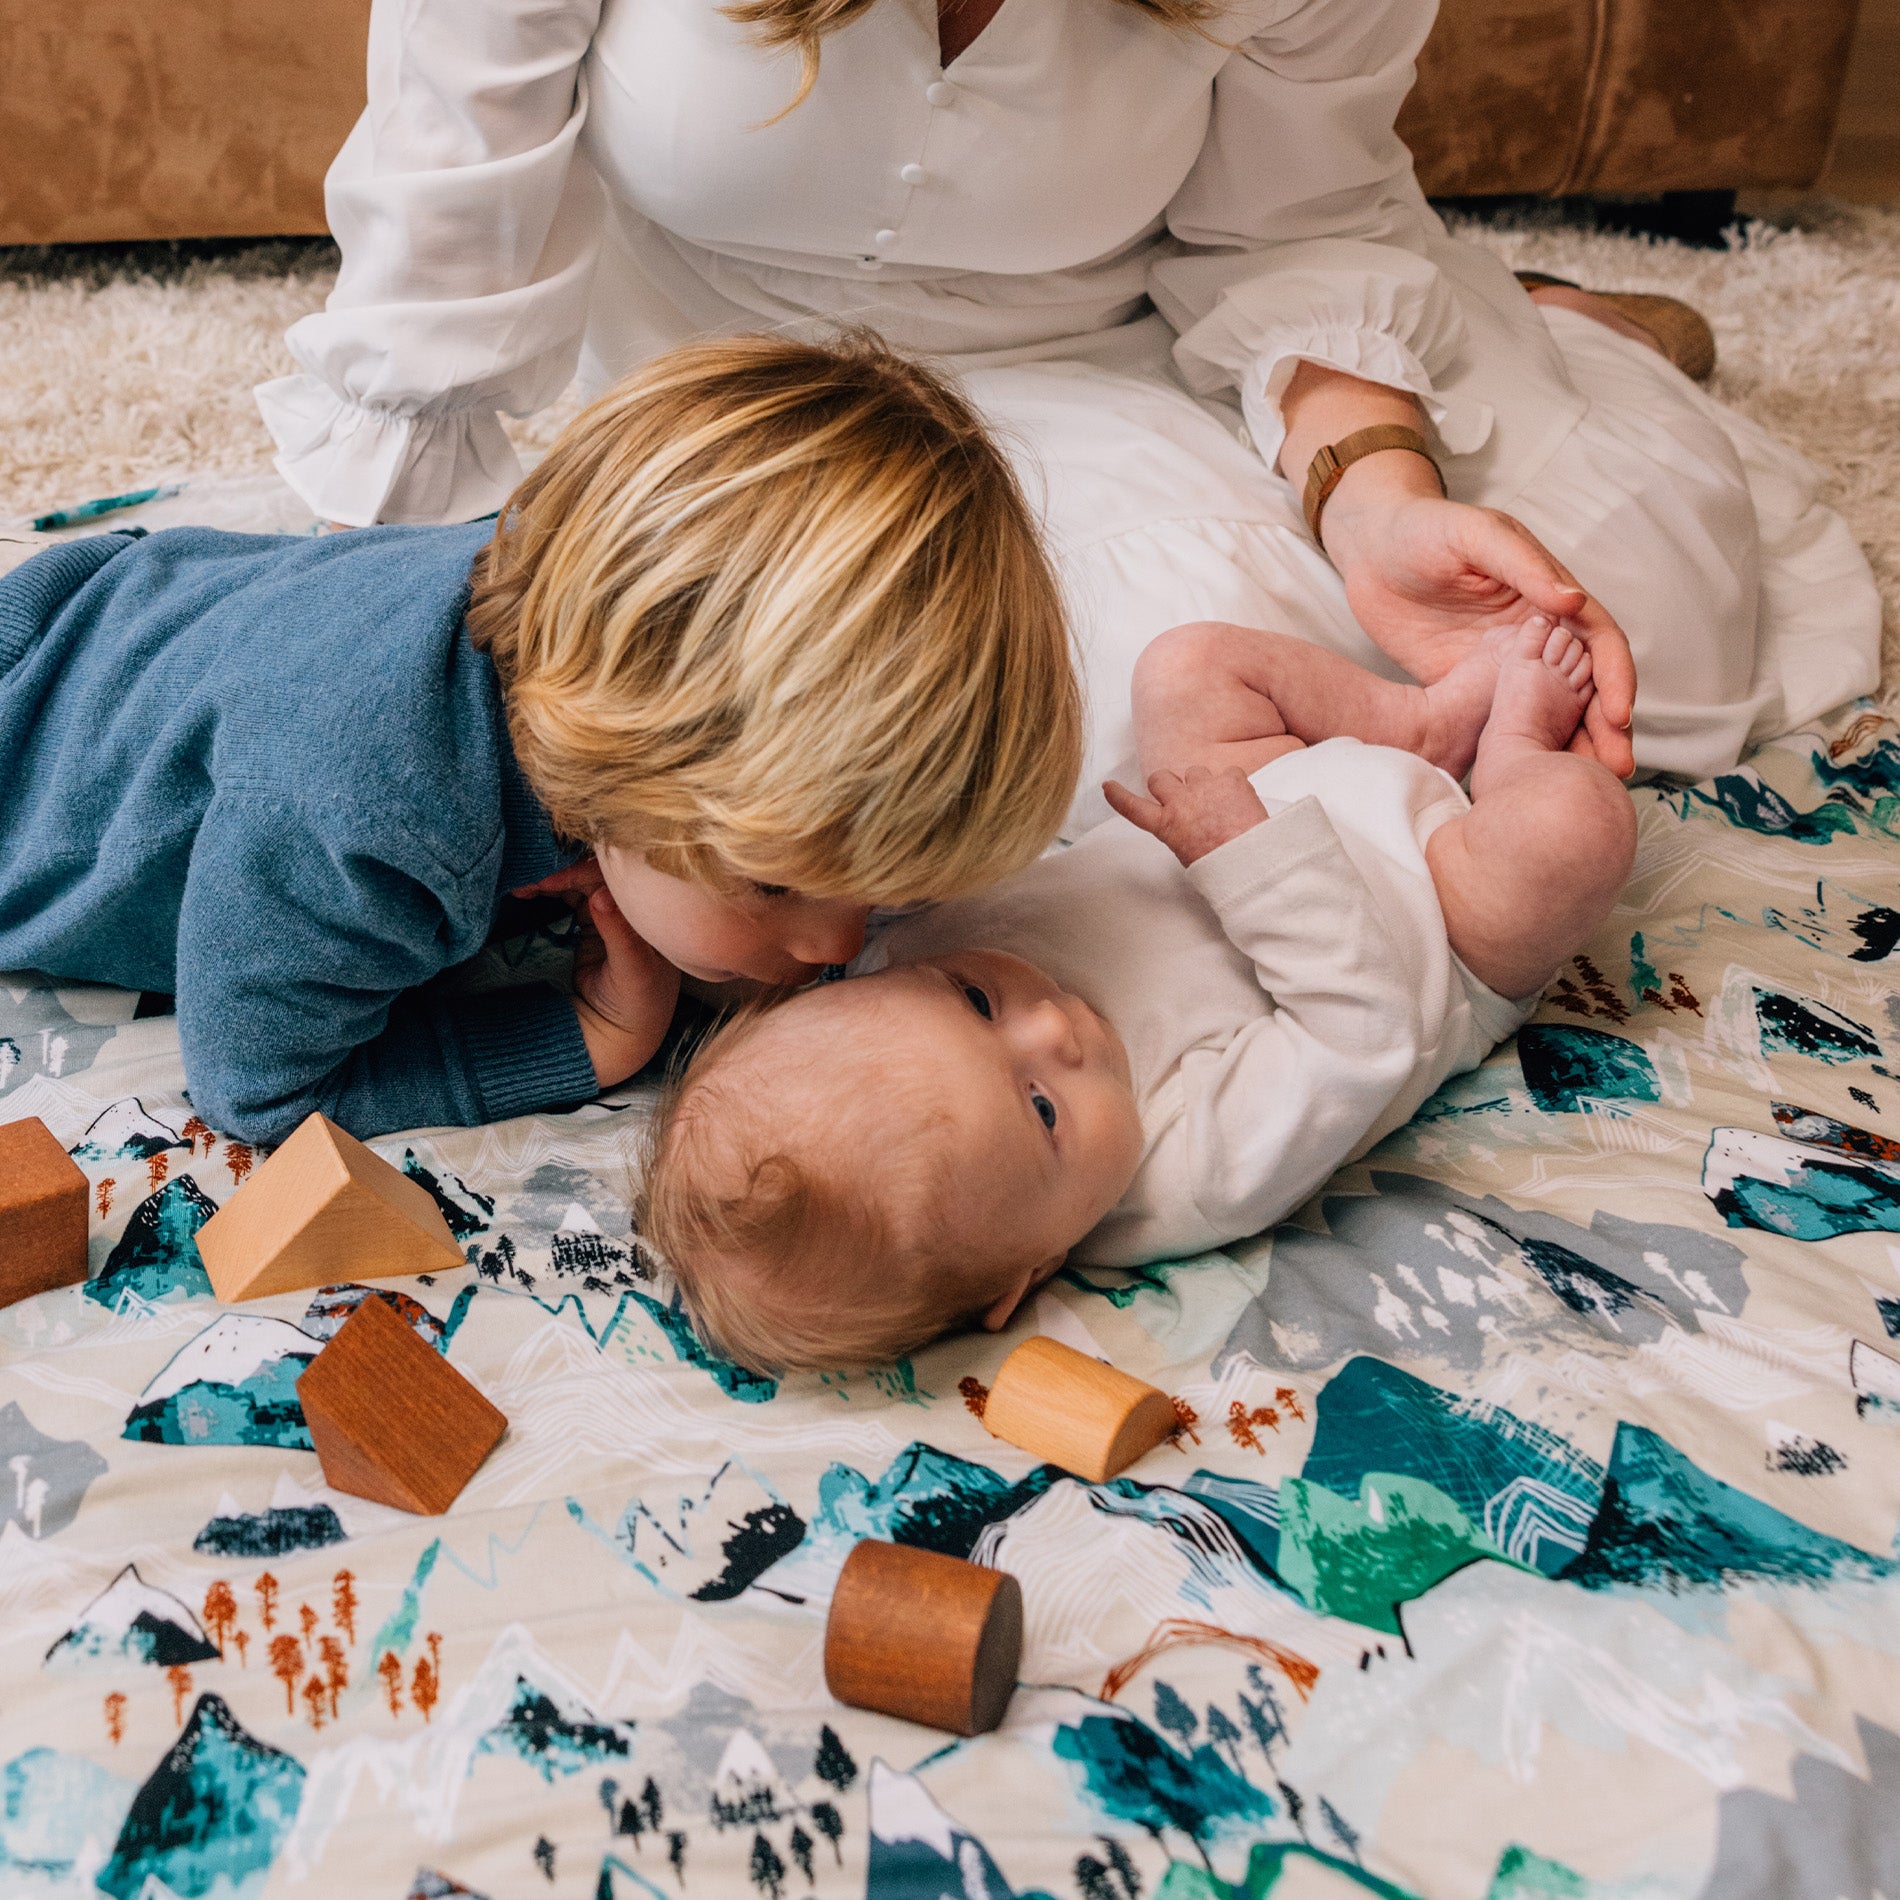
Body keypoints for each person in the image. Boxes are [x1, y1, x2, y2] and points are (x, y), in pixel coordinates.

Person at [259, 0, 1879, 796]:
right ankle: (1523, 308)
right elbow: (447, 235)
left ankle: (1529, 323)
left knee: (1605, 633)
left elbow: (1291, 224)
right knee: (803, 736)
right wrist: (372, 642)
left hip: (1085, 341)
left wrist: (1375, 494)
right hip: (683, 359)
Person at [0, 336, 1079, 1146]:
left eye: (875, 899)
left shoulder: (566, 590)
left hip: (113, 605)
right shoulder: (367, 813)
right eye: (768, 886)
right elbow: (259, 1089)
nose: (836, 948)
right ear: (623, 754)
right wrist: (582, 1038)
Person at [635, 612, 1636, 1372]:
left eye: (976, 1003)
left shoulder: (890, 976)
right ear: (1019, 1276)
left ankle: (1418, 721)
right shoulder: (1184, 1175)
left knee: (1186, 668)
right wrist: (1244, 854)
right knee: (1570, 831)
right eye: (1039, 1109)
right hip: (1435, 908)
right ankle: (1507, 754)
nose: (1051, 1027)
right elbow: (1362, 1030)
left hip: (1256, 786)